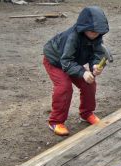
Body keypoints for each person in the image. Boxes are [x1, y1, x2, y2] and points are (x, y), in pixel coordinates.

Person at [43, 6, 109, 136]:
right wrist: (83, 73)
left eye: (98, 31)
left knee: (90, 83)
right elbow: (66, 62)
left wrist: (95, 65)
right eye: (93, 31)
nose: (96, 34)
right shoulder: (72, 37)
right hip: (56, 61)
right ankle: (55, 121)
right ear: (84, 27)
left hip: (73, 62)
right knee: (64, 87)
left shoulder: (96, 37)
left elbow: (98, 54)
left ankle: (86, 113)